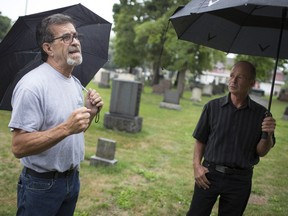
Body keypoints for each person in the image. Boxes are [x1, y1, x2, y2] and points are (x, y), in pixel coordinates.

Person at [8, 14, 103, 216]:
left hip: (72, 180)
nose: (75, 41)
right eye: (66, 37)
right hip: (41, 185)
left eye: (76, 36)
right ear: (48, 48)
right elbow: (19, 146)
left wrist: (90, 112)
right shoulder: (32, 86)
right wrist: (66, 128)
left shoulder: (75, 82)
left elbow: (74, 131)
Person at [186, 61, 276, 216]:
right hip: (209, 174)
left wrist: (267, 134)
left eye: (239, 77)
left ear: (252, 83)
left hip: (239, 181)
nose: (233, 81)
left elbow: (261, 152)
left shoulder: (262, 115)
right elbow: (200, 139)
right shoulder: (212, 107)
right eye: (232, 76)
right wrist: (196, 166)